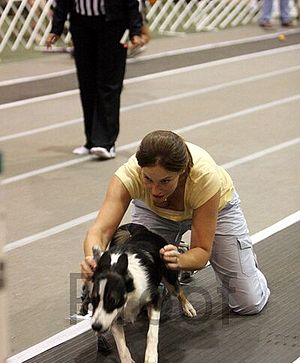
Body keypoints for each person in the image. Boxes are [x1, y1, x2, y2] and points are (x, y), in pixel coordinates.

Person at [81, 130, 270, 316]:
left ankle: (245, 266)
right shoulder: (129, 174)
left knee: (248, 303)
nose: (155, 190)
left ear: (181, 172)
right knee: (141, 304)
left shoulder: (204, 177)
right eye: (148, 179)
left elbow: (202, 252)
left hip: (217, 210)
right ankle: (174, 248)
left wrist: (180, 260)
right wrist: (93, 260)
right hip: (155, 213)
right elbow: (100, 230)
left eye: (165, 181)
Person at [46, 1, 144, 159]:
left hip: (112, 24)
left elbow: (131, 1)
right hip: (81, 25)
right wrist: (56, 28)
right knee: (86, 84)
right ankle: (91, 140)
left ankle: (106, 143)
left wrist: (135, 31)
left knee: (109, 83)